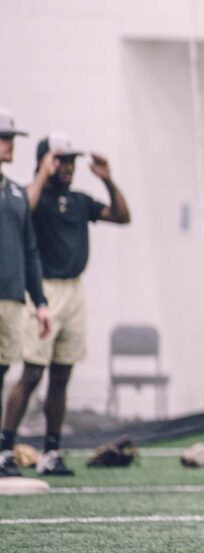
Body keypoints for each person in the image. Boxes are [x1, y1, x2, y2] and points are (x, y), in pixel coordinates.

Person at [0, 132, 130, 477]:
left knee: (62, 374)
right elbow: (21, 208)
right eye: (62, 160)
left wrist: (108, 180)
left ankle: (52, 452)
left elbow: (121, 215)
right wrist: (42, 172)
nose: (69, 166)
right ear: (47, 161)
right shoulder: (32, 196)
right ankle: (4, 448)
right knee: (32, 373)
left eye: (72, 160)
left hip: (74, 292)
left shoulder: (78, 202)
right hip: (45, 291)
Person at [0, 108, 52, 478]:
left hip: (13, 300)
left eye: (11, 138)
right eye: (4, 138)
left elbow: (30, 251)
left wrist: (42, 303)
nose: (10, 145)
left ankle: (3, 450)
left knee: (2, 371)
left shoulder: (17, 194)